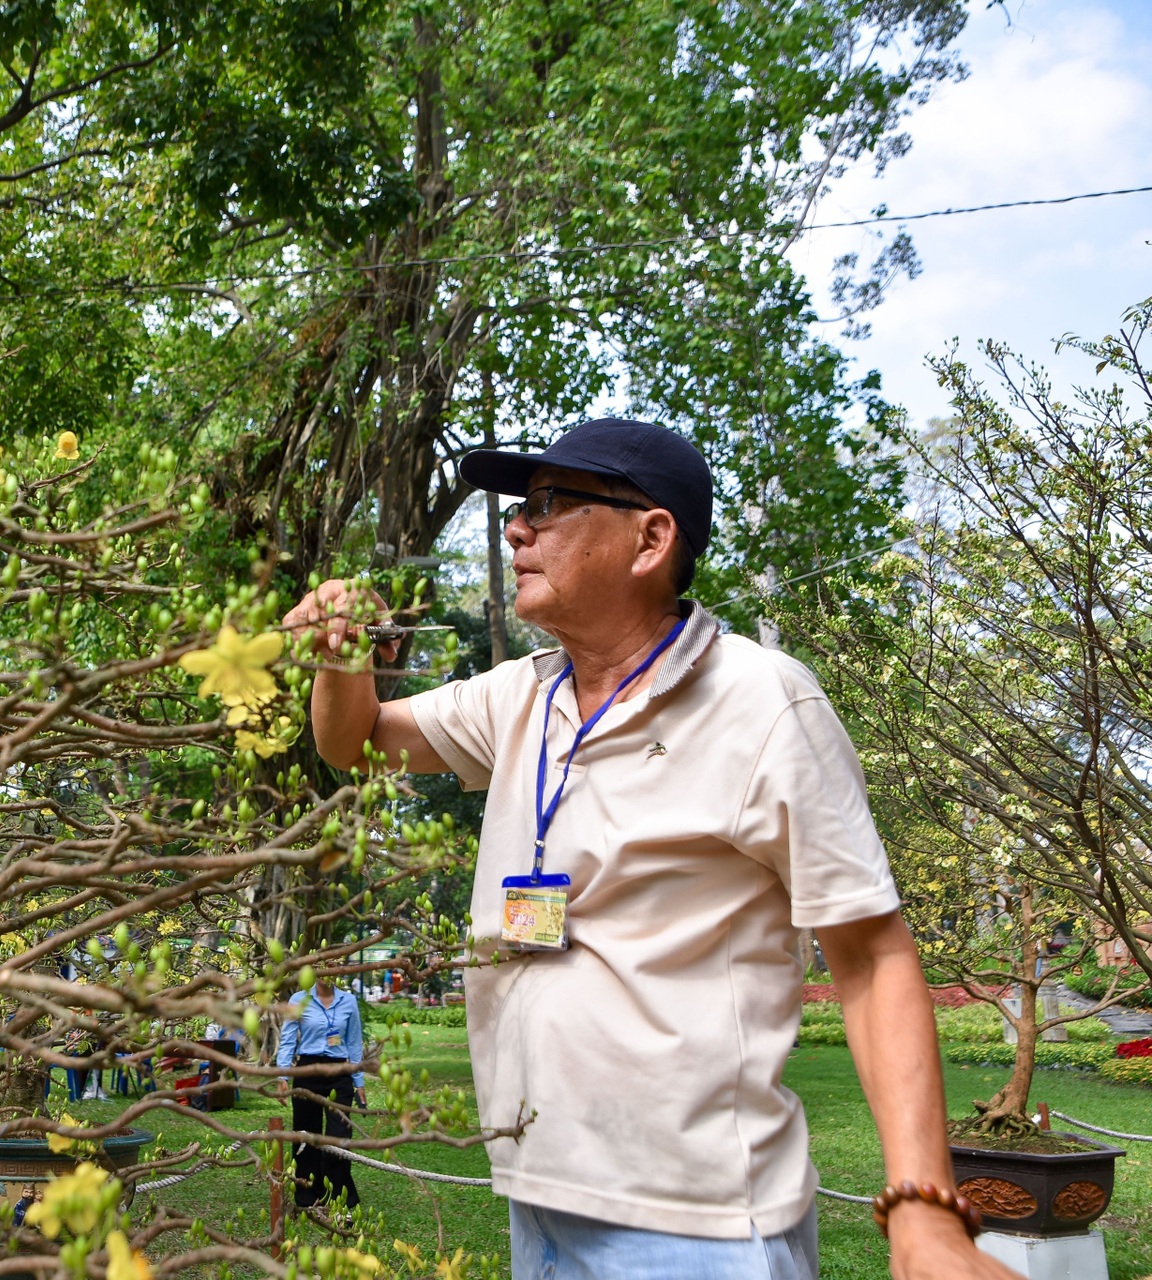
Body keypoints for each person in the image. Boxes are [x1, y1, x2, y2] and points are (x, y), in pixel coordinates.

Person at [283, 418, 1017, 1280]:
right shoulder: (521, 694)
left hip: (700, 1229)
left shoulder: (762, 703)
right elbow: (357, 742)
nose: (517, 528)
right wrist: (338, 657)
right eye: (521, 507)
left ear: (650, 538)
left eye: (550, 504)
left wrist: (924, 1207)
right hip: (538, 1199)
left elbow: (871, 955)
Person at [275, 976, 367, 1213]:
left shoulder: (349, 1001)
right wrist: (282, 1076)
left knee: (339, 1136)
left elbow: (355, 1042)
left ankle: (340, 1198)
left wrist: (359, 1081)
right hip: (308, 1071)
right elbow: (287, 1040)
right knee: (306, 1137)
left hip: (340, 1073)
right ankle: (307, 1197)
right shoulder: (299, 1000)